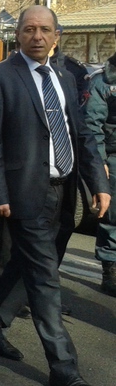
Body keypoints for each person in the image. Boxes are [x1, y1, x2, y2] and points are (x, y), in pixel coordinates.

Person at [0, 5, 109, 386]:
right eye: (29, 29)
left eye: (45, 30)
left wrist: (99, 184)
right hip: (23, 193)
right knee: (46, 278)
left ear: (56, 36)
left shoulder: (64, 77)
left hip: (64, 192)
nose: (37, 36)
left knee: (26, 265)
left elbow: (82, 134)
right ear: (17, 34)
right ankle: (64, 368)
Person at [85, 39, 116, 297]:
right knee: (112, 217)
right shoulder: (103, 81)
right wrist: (101, 162)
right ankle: (110, 268)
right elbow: (93, 126)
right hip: (114, 157)